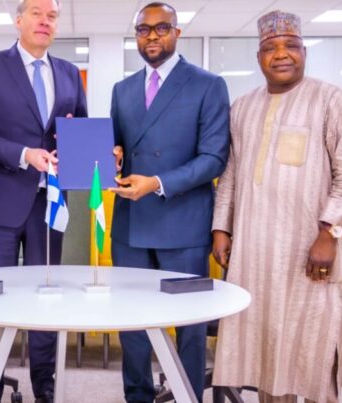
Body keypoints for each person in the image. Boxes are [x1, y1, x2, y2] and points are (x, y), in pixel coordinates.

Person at [210, 10, 342, 403]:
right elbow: (232, 173)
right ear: (259, 57)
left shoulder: (331, 99)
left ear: (304, 52)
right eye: (271, 47)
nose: (281, 54)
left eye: (291, 45)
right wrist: (221, 227)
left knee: (315, 348)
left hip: (310, 253)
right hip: (256, 256)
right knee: (267, 354)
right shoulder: (243, 107)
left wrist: (329, 233)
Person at [0, 0, 87, 401]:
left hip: (49, 205)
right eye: (37, 13)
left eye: (52, 16)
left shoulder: (69, 73)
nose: (45, 21)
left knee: (45, 300)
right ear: (18, 20)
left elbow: (80, 131)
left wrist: (79, 146)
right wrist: (23, 154)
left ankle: (45, 391)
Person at [109, 2, 230, 402]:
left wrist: (158, 183)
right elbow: (118, 149)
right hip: (131, 225)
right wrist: (110, 158)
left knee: (189, 327)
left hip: (184, 224)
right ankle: (137, 396)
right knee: (132, 323)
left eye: (162, 28)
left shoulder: (208, 85)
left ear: (178, 33)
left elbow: (213, 158)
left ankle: (187, 395)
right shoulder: (122, 89)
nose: (152, 36)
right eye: (143, 29)